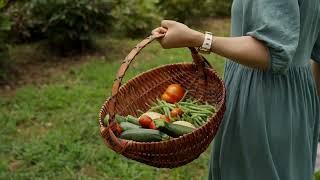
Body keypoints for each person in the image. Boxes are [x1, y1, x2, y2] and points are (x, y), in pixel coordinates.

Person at [151, 0, 320, 179]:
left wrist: (198, 39)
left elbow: (271, 51)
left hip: (261, 104)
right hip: (300, 102)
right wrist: (309, 110)